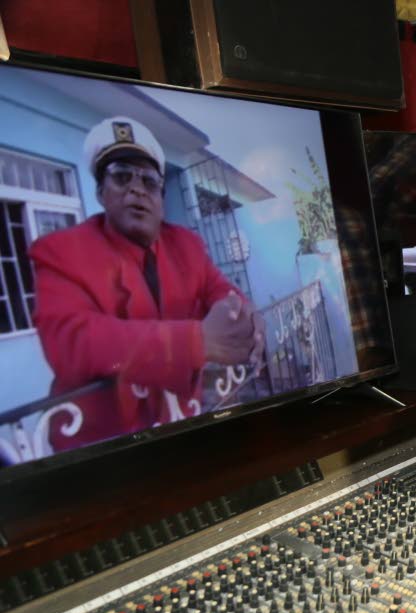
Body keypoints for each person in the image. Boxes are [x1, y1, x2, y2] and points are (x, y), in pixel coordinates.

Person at [30, 116, 264, 451]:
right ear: (100, 192)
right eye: (122, 176)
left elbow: (221, 290)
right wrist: (196, 342)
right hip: (103, 453)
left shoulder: (186, 244)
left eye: (149, 181)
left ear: (161, 196)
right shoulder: (61, 251)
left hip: (182, 429)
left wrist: (247, 316)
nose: (137, 188)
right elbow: (71, 341)